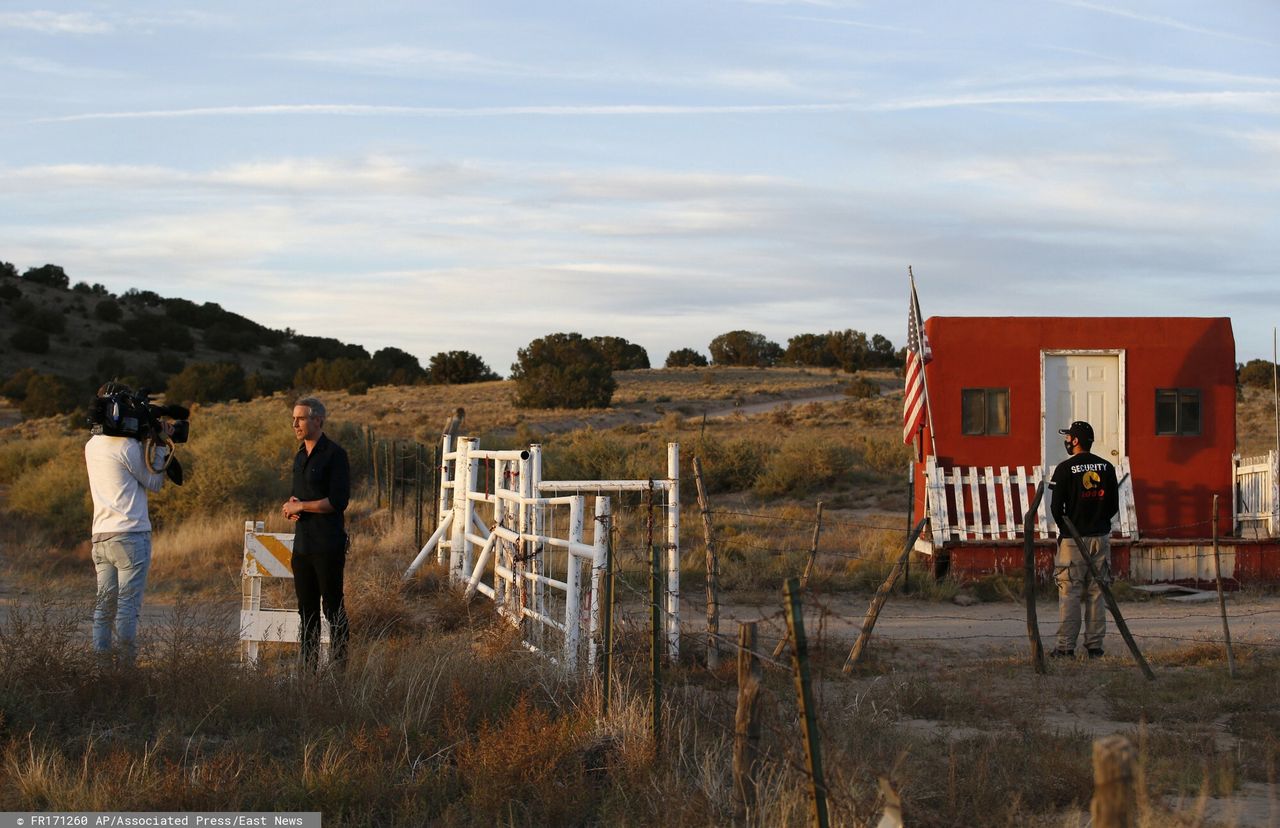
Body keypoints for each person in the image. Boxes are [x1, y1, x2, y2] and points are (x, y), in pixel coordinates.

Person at [84, 382, 174, 665]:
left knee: (104, 607)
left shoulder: (92, 444)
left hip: (101, 535)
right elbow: (155, 482)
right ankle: (124, 671)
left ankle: (101, 669)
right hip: (131, 535)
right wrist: (160, 445)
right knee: (127, 608)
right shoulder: (125, 445)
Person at [281, 396, 350, 670]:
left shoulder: (335, 454)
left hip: (327, 545)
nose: (295, 423)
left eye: (300, 418)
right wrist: (291, 507)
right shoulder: (299, 455)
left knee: (332, 608)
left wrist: (303, 506)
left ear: (317, 420)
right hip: (302, 546)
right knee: (305, 612)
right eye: (294, 418)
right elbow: (301, 496)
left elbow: (337, 502)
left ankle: (339, 668)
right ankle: (307, 670)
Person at [1049, 420, 1119, 659]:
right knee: (1097, 591)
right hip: (1100, 537)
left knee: (1069, 592)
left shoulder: (1065, 469)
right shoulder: (1107, 468)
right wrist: (1098, 522)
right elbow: (1113, 506)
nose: (1066, 441)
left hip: (1072, 540)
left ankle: (1065, 647)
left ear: (1076, 440)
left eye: (1068, 437)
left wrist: (1065, 529)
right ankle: (1095, 646)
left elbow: (1056, 508)